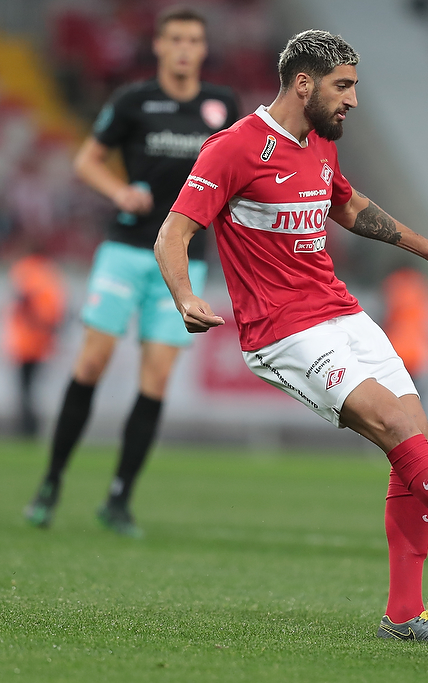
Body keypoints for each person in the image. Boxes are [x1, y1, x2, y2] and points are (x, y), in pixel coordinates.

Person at [153, 29, 428, 646]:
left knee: (421, 440)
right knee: (396, 427)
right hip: (282, 331)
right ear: (303, 84)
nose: (353, 100)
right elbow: (172, 234)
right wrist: (185, 296)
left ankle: (405, 615)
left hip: (340, 311)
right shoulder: (233, 149)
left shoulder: (318, 144)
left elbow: (351, 207)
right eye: (343, 86)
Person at [23, 6, 239, 537]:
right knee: (91, 362)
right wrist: (119, 192)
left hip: (184, 260)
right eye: (176, 39)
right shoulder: (133, 100)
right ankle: (51, 482)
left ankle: (119, 498)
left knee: (157, 377)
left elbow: (238, 173)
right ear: (159, 47)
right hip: (125, 249)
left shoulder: (224, 106)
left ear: (203, 49)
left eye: (194, 39)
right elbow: (87, 160)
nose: (185, 48)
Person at [4, 247, 66, 437]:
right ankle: (30, 425)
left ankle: (27, 426)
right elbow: (57, 312)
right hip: (42, 342)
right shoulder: (50, 274)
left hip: (25, 341)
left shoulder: (25, 269)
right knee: (31, 387)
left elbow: (24, 299)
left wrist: (33, 323)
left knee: (25, 387)